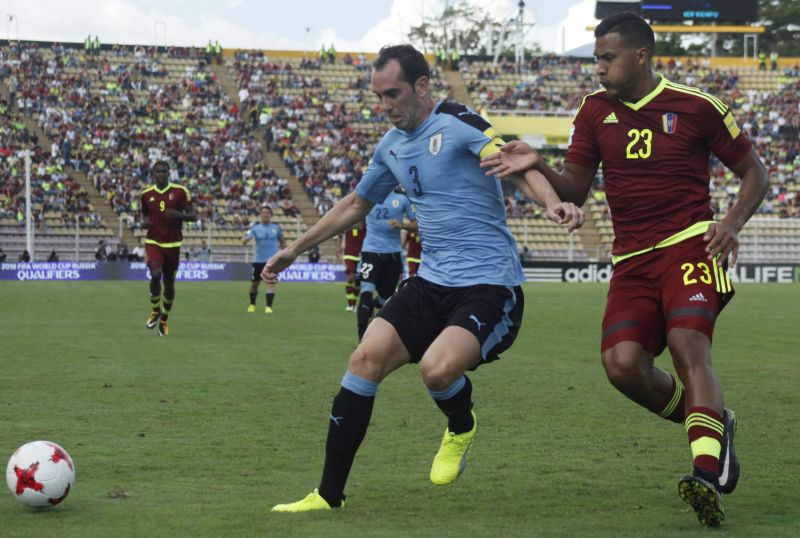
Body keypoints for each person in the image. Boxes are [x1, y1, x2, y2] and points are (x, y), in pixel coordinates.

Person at [264, 44, 583, 512]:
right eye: (378, 97)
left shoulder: (459, 122)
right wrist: (295, 247)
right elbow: (356, 205)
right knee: (363, 359)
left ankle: (460, 424)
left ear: (422, 86)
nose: (385, 105)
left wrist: (551, 202)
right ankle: (327, 496)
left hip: (489, 285)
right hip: (430, 281)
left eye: (393, 94)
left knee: (437, 369)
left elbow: (515, 166)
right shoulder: (389, 147)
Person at [481, 12, 769, 527]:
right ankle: (712, 424)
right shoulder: (593, 112)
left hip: (688, 247)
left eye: (606, 58)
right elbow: (574, 188)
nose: (598, 69)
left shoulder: (698, 107)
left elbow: (755, 172)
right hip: (631, 260)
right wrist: (535, 163)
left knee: (687, 346)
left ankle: (705, 472)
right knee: (622, 366)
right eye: (595, 59)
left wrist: (730, 222)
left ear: (640, 56)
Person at [139, 160, 196, 336]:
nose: (161, 174)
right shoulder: (146, 194)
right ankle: (155, 309)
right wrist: (144, 223)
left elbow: (193, 216)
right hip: (154, 242)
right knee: (155, 274)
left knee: (169, 283)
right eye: (158, 171)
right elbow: (144, 215)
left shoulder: (180, 192)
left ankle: (164, 319)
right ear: (153, 173)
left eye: (164, 171)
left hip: (173, 244)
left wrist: (178, 215)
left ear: (169, 173)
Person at [355, 187, 416, 340]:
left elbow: (417, 224)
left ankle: (377, 304)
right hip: (370, 252)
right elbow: (354, 216)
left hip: (393, 254)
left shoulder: (402, 200)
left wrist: (402, 225)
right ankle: (362, 338)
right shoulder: (368, 196)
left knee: (386, 299)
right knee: (365, 293)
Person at [242, 206, 285, 313]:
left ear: (270, 215)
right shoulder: (255, 228)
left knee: (271, 283)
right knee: (254, 284)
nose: (265, 214)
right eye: (263, 212)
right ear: (260, 215)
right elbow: (245, 239)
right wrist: (245, 238)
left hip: (272, 261)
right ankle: (252, 304)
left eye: (267, 212)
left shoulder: (277, 228)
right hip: (258, 261)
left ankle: (268, 307)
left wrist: (284, 254)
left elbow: (282, 242)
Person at [340, 222, 366, 312]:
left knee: (358, 282)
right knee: (350, 277)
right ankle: (349, 303)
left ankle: (354, 304)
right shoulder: (347, 228)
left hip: (360, 257)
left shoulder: (364, 229)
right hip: (349, 255)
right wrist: (338, 248)